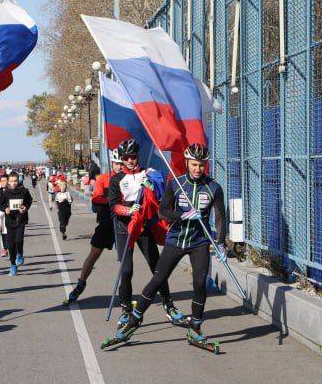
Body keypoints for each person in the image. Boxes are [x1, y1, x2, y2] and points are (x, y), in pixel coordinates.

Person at [109, 143, 227, 349]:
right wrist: (183, 215)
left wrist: (221, 243)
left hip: (199, 242)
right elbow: (163, 212)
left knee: (200, 284)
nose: (197, 169)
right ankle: (134, 321)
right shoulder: (177, 184)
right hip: (176, 240)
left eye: (201, 165)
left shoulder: (214, 188)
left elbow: (220, 217)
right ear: (187, 163)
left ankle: (195, 329)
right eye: (194, 164)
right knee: (158, 279)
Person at [106, 139, 183, 327]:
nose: (130, 160)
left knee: (157, 268)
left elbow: (162, 196)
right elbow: (113, 205)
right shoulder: (116, 179)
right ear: (121, 159)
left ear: (137, 155)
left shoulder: (147, 173)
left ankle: (169, 305)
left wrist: (152, 188)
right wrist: (128, 211)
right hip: (125, 228)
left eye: (133, 156)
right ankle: (125, 309)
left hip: (144, 227)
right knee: (126, 270)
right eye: (126, 158)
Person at [64, 150, 121, 304]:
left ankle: (125, 291)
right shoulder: (104, 179)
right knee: (93, 255)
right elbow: (96, 198)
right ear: (112, 163)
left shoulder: (129, 179)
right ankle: (80, 284)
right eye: (117, 163)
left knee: (125, 260)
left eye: (121, 164)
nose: (119, 166)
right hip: (106, 223)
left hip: (124, 224)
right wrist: (112, 200)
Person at [0, 172, 33, 275]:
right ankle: (13, 265)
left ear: (18, 181)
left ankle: (20, 253)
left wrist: (25, 207)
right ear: (8, 182)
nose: (13, 183)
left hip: (20, 219)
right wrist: (5, 209)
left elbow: (29, 201)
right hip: (9, 220)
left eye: (15, 181)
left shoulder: (24, 191)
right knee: (11, 245)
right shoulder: (5, 193)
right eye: (11, 181)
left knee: (19, 240)